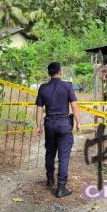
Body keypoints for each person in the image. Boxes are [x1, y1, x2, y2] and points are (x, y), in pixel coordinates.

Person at [35, 62, 82, 198]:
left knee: (50, 152)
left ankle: (50, 179)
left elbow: (39, 109)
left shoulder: (43, 88)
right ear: (60, 72)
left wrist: (38, 126)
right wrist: (78, 122)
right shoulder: (67, 86)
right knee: (63, 156)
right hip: (63, 124)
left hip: (49, 123)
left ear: (49, 73)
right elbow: (74, 106)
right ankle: (61, 187)